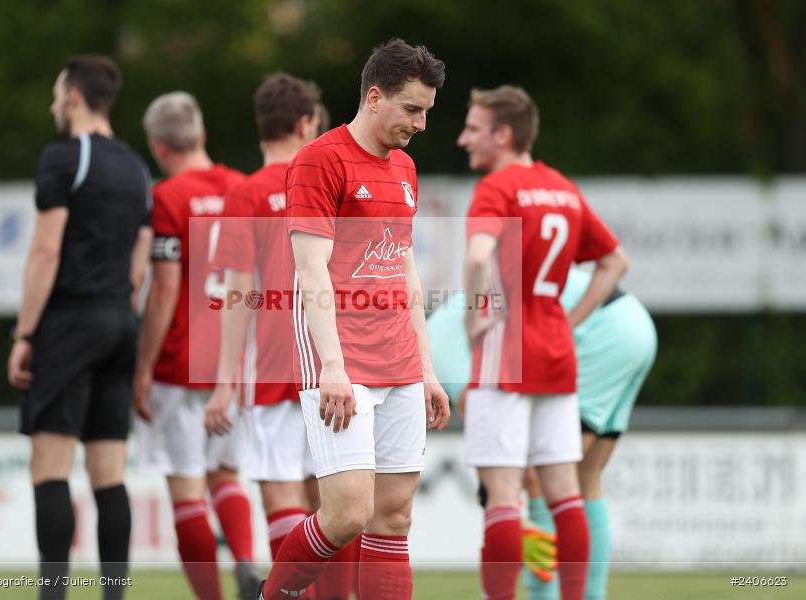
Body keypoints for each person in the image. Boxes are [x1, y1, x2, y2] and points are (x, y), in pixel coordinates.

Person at [256, 39, 450, 600]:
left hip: (401, 362)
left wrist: (426, 369)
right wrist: (333, 368)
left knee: (394, 518)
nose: (420, 124)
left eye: (426, 112)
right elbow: (310, 270)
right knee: (346, 515)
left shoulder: (405, 167)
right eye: (412, 109)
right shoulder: (319, 160)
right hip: (343, 360)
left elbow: (405, 270)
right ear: (374, 96)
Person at [458, 85, 629, 600]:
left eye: (473, 128)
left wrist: (473, 317)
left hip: (506, 351)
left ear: (503, 135)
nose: (463, 138)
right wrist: (569, 321)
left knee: (503, 497)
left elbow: (477, 255)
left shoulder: (497, 187)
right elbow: (615, 262)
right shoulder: (562, 188)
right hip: (556, 352)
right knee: (566, 495)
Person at [206, 72, 356, 600]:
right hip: (334, 363)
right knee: (336, 501)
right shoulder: (332, 183)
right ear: (306, 122)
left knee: (281, 497)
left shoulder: (245, 193)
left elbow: (237, 296)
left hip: (271, 368)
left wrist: (224, 382)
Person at [7, 55, 152, 600]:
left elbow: (45, 252)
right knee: (108, 475)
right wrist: (120, 313)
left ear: (72, 96)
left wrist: (25, 334)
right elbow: (139, 264)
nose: (52, 104)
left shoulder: (65, 157)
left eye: (55, 94)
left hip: (70, 323)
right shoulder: (136, 168)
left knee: (50, 470)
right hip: (119, 322)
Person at [427, 265, 658, 599]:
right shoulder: (449, 321)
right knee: (585, 479)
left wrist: (504, 507)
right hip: (633, 323)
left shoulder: (437, 346)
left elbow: (487, 428)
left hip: (600, 335)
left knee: (546, 476)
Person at [134, 91, 257, 599]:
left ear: (159, 147)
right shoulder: (242, 186)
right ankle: (246, 560)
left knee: (186, 489)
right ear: (202, 134)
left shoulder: (166, 197)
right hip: (235, 359)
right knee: (226, 475)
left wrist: (143, 367)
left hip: (181, 361)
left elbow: (164, 289)